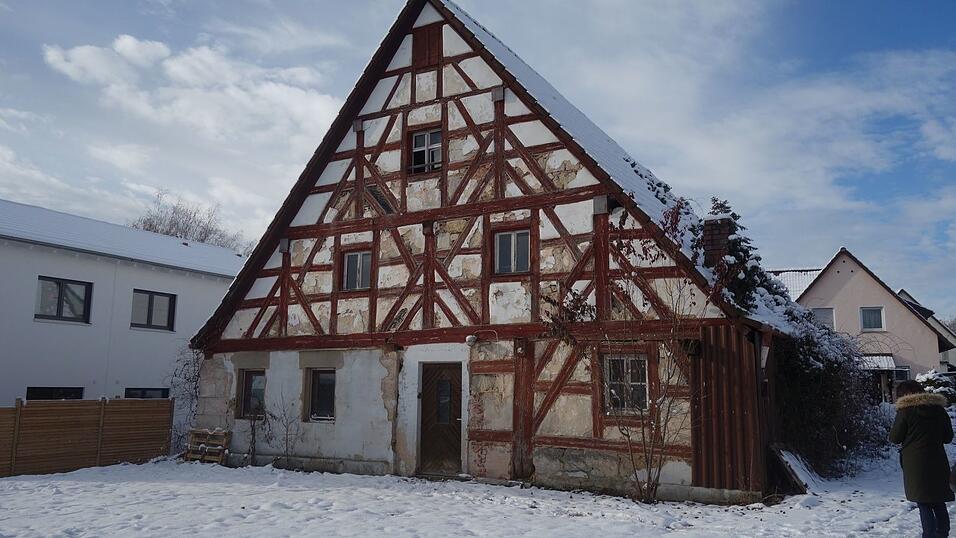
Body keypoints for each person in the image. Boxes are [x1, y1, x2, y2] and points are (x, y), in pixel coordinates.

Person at [890, 380, 954, 538]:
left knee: (924, 503)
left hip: (915, 466)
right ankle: (943, 534)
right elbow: (948, 437)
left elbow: (895, 438)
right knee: (939, 501)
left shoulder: (905, 411)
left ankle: (929, 535)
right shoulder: (939, 410)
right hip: (938, 462)